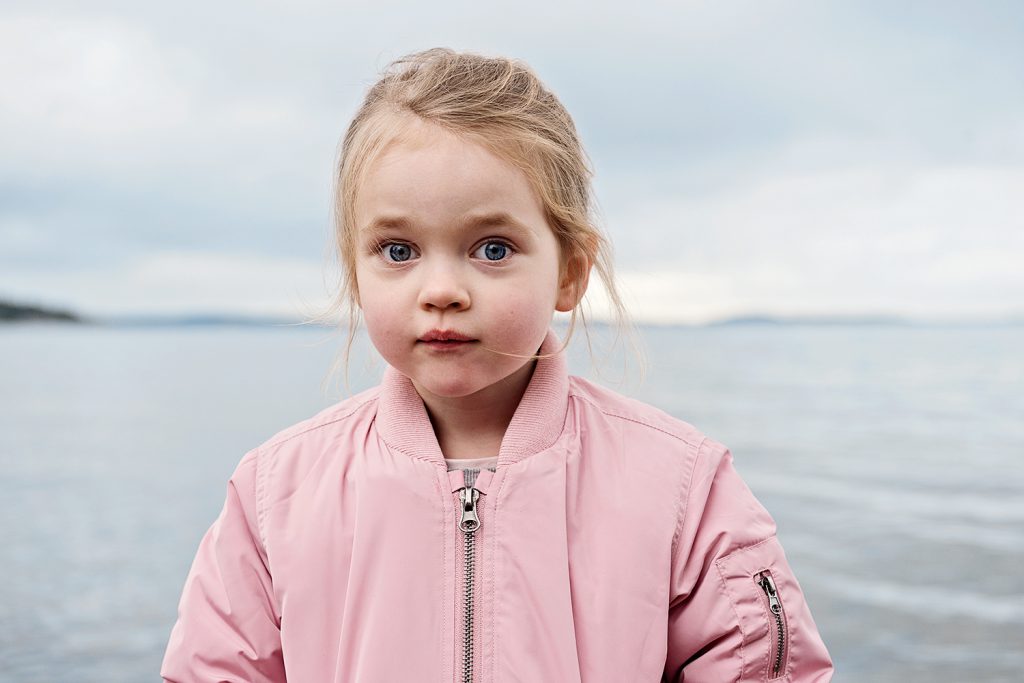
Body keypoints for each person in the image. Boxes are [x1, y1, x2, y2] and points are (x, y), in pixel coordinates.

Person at [161, 47, 833, 682]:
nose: (442, 288)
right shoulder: (276, 495)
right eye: (398, 250)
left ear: (569, 272)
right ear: (355, 271)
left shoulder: (683, 489)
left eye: (492, 248)